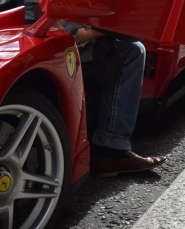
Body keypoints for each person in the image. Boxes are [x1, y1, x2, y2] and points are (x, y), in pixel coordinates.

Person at [64, 23, 167, 177]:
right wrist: (100, 29)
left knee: (133, 47)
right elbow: (63, 35)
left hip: (84, 37)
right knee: (132, 51)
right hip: (65, 47)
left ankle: (111, 145)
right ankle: (110, 148)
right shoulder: (37, 2)